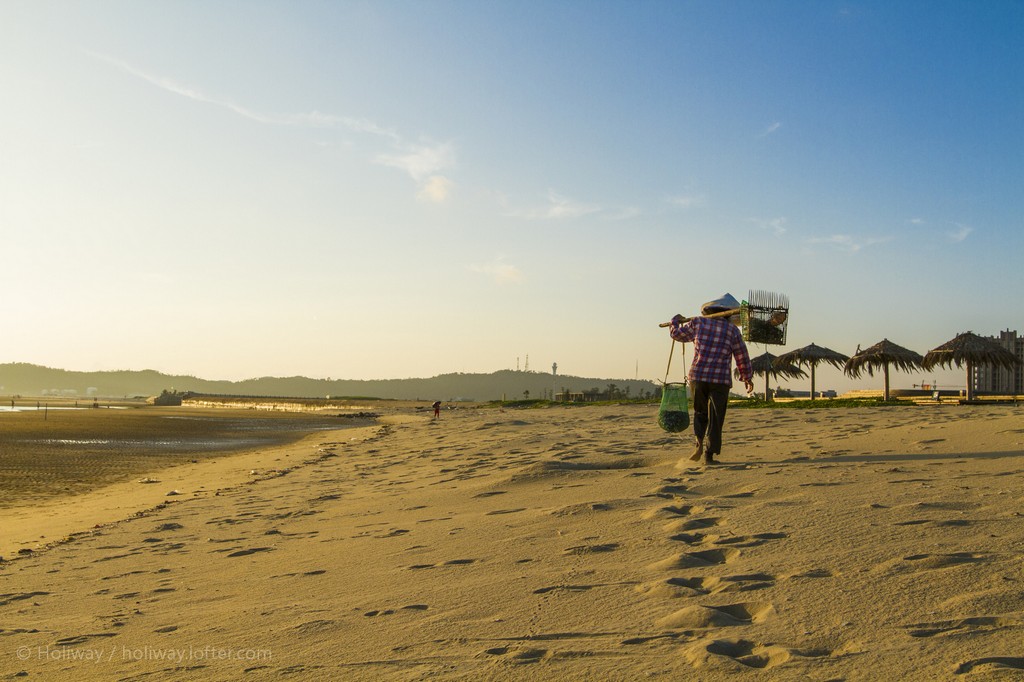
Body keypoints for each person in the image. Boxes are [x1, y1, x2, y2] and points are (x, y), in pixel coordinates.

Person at [669, 296, 754, 466]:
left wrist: (675, 321)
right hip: (720, 379)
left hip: (698, 376)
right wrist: (747, 377)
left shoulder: (698, 323)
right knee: (716, 416)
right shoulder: (732, 330)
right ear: (728, 314)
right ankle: (709, 454)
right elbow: (741, 355)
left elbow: (676, 334)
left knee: (700, 412)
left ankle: (699, 444)